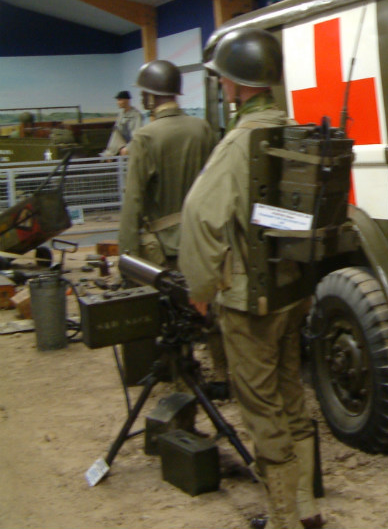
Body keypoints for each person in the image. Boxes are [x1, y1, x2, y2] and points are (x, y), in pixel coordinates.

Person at [179, 27, 322, 529]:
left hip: (250, 302)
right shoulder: (295, 130)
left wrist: (200, 288)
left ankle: (282, 519)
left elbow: (200, 215)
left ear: (239, 86)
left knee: (261, 409)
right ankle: (306, 507)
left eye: (224, 80)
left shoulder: (240, 142)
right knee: (290, 397)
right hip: (292, 291)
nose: (221, 87)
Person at [118, 60, 214, 266]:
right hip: (204, 240)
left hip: (166, 248)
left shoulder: (146, 137)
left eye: (144, 92)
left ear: (151, 96)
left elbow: (133, 200)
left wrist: (127, 257)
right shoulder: (203, 128)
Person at [104, 90, 143, 157]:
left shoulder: (136, 115)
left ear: (127, 100)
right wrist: (110, 152)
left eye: (120, 100)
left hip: (133, 148)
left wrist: (128, 148)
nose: (118, 102)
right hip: (122, 147)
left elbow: (137, 135)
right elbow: (116, 134)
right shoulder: (121, 114)